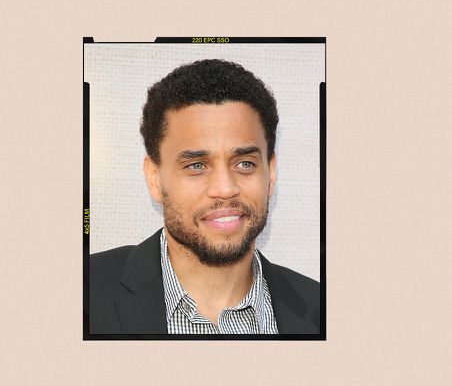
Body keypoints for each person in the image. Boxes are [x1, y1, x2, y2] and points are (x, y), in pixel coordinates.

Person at [89, 59, 320, 335]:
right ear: (154, 177)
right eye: (196, 165)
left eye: (245, 163)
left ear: (270, 174)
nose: (225, 188)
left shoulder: (320, 306)